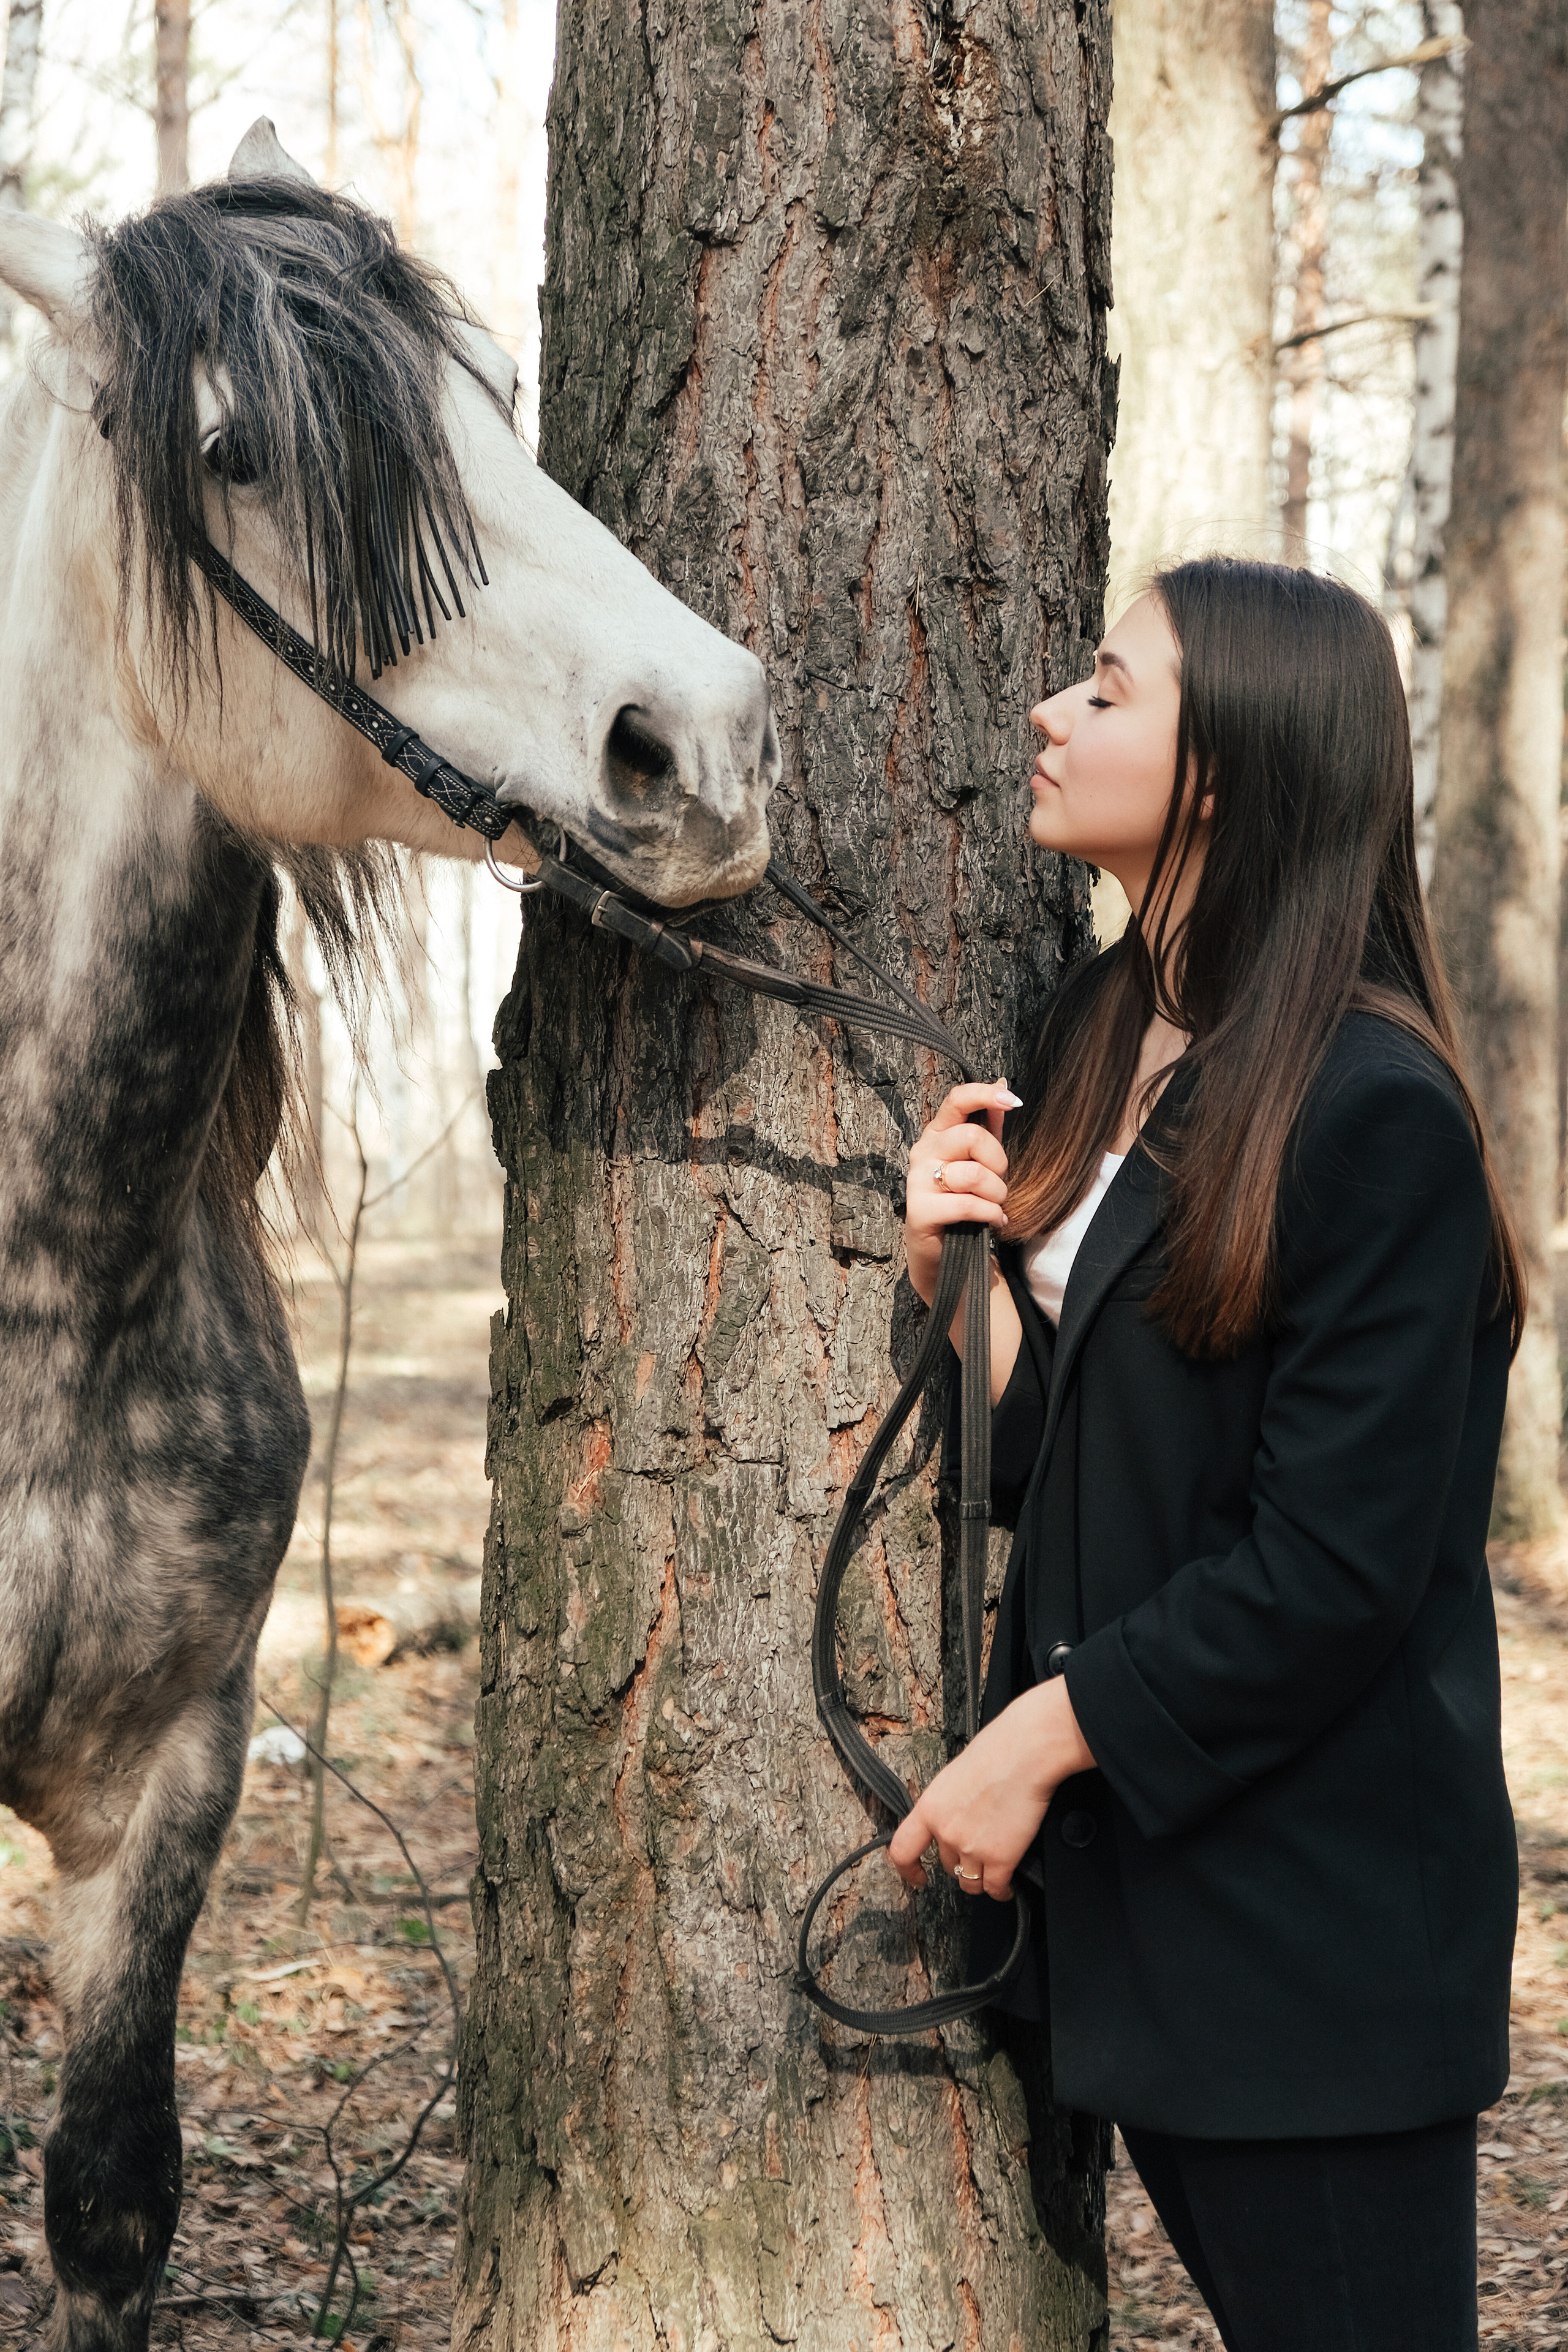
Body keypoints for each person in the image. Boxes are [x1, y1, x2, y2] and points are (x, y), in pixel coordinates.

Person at [886, 559, 1521, 2352]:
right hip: (1129, 1925)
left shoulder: (1376, 1113)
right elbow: (1060, 1470)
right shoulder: (1102, 1035)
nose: (1048, 713)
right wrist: (956, 1279)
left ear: (1226, 773)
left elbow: (1333, 1573)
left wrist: (1036, 1737)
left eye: (1107, 688)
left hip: (1314, 1943)